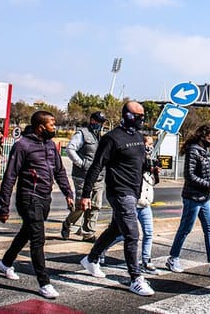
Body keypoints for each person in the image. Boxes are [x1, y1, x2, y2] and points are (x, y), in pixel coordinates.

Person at [78, 101, 155, 297]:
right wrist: (86, 194)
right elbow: (96, 166)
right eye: (139, 116)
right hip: (119, 192)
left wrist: (150, 166)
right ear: (128, 116)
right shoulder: (111, 139)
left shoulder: (138, 137)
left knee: (116, 229)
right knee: (132, 234)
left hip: (134, 190)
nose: (142, 120)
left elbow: (139, 162)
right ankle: (135, 278)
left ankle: (92, 259)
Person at [0, 111, 74, 299]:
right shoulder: (22, 146)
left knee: (27, 232)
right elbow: (10, 176)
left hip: (45, 197)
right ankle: (44, 283)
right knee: (38, 238)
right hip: (28, 198)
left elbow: (60, 172)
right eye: (52, 124)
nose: (54, 128)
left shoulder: (50, 146)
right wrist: (4, 206)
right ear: (41, 127)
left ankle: (6, 263)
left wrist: (68, 193)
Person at [165, 124, 210, 277]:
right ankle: (173, 258)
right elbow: (189, 176)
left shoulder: (205, 151)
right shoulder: (193, 151)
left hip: (204, 198)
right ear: (203, 137)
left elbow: (205, 174)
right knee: (185, 229)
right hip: (192, 198)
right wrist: (209, 185)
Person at [100, 135, 161, 274]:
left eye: (152, 144)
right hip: (131, 203)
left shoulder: (152, 161)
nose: (150, 147)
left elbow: (152, 182)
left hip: (145, 203)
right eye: (147, 144)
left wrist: (155, 173)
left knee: (149, 233)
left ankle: (146, 261)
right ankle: (100, 250)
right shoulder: (135, 158)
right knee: (122, 234)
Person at [62, 110, 107, 241]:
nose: (100, 124)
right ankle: (68, 224)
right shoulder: (82, 134)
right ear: (92, 120)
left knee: (95, 205)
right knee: (82, 205)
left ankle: (88, 233)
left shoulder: (100, 136)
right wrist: (81, 163)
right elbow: (70, 149)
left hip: (98, 176)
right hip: (82, 175)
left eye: (102, 122)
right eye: (98, 121)